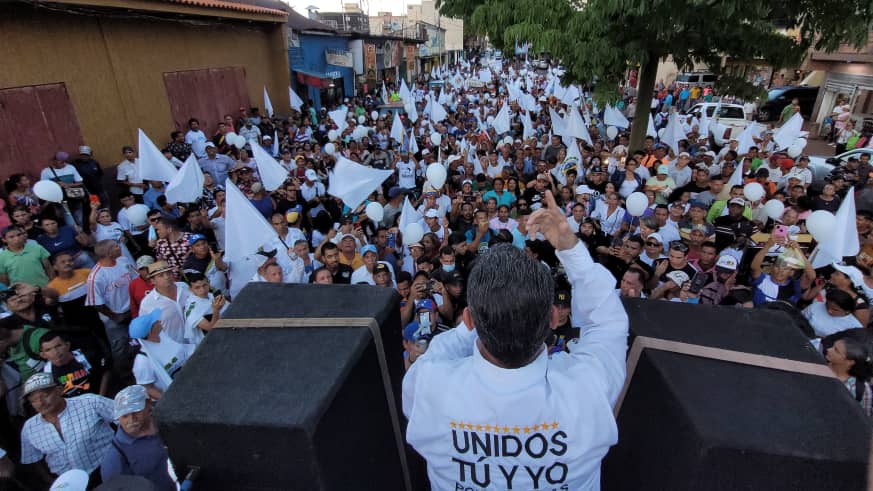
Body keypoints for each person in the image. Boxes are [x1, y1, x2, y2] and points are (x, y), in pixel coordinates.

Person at [403, 190, 628, 490]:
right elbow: (608, 320)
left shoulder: (430, 387)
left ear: (467, 320)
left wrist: (474, 323)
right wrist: (569, 247)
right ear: (552, 318)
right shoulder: (587, 390)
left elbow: (437, 354)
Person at [20, 372, 115, 486]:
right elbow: (33, 460)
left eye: (44, 395)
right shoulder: (29, 428)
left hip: (107, 469)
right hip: (66, 483)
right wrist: (50, 481)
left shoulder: (90, 402)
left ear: (60, 390)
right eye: (34, 400)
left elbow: (124, 418)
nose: (40, 403)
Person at [101, 385, 176, 490]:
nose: (131, 419)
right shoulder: (114, 459)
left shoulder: (167, 418)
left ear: (148, 404)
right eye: (124, 416)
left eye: (136, 411)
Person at [128, 309, 195, 400]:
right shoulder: (142, 362)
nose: (159, 321)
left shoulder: (162, 335)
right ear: (150, 331)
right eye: (155, 322)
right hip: (179, 395)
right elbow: (148, 388)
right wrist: (171, 400)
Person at [39, 331, 110, 397]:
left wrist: (101, 397)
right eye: (48, 350)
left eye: (58, 346)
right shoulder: (45, 374)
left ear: (67, 345)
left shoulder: (87, 356)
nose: (55, 352)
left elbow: (106, 371)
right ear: (43, 355)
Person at [139, 261, 190, 344]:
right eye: (161, 275)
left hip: (198, 340)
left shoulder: (183, 286)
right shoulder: (147, 304)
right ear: (152, 281)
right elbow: (147, 332)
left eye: (169, 273)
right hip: (176, 349)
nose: (167, 277)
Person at [825, 332, 873, 418]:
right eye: (833, 346)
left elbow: (862, 420)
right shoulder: (818, 364)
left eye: (836, 350)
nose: (829, 349)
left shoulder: (861, 389)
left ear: (849, 362)